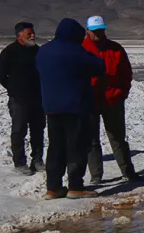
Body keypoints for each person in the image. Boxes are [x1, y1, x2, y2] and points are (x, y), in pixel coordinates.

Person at [36, 18, 105, 199]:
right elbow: (98, 67)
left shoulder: (43, 51)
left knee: (55, 147)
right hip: (75, 107)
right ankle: (75, 187)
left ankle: (53, 188)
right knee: (76, 146)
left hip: (51, 107)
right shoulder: (76, 51)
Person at [83, 16, 140, 183]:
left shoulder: (115, 49)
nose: (98, 34)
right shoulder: (81, 49)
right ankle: (96, 176)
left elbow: (126, 73)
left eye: (101, 30)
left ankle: (128, 172)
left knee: (117, 137)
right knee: (91, 139)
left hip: (113, 99)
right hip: (90, 101)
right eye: (95, 31)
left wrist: (122, 93)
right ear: (88, 31)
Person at [0, 22, 45, 175]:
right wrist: (13, 88)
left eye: (33, 33)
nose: (33, 35)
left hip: (38, 97)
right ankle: (20, 163)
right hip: (19, 99)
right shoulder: (9, 52)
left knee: (38, 130)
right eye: (29, 33)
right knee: (19, 130)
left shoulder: (38, 51)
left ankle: (37, 160)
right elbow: (1, 75)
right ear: (19, 35)